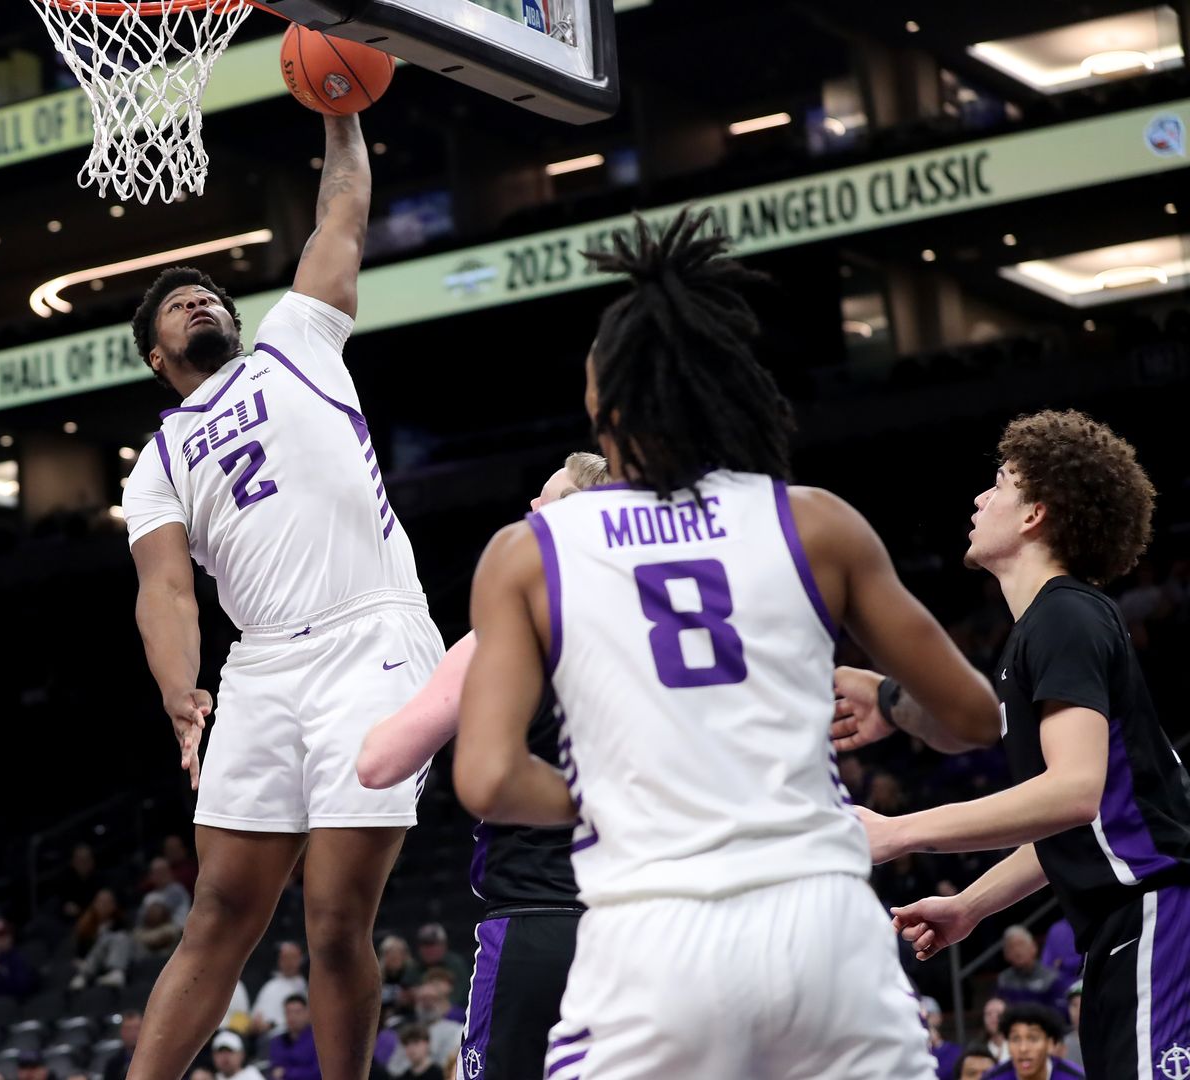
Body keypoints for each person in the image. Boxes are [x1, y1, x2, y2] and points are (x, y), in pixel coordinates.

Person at [451, 211, 1001, 1080]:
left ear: (606, 406)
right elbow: (974, 718)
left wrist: (635, 796)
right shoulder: (816, 521)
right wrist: (889, 700)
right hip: (820, 926)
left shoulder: (532, 551)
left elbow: (485, 778)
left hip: (652, 933)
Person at [120, 107, 442, 1080]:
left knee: (337, 914)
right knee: (220, 909)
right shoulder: (155, 465)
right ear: (154, 357)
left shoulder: (294, 336)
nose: (199, 304)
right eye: (178, 306)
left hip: (370, 636)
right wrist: (182, 687)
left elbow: (341, 211)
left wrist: (342, 112)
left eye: (207, 293)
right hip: (261, 664)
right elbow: (166, 592)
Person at [837, 409, 1190, 1079]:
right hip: (1129, 927)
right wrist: (970, 906)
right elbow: (1089, 817)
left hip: (1156, 915)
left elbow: (1072, 792)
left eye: (999, 482)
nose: (980, 497)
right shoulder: (1050, 626)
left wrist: (899, 832)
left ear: (1035, 515)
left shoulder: (1062, 615)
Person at [358, 455, 607, 1080]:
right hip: (645, 922)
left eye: (544, 500)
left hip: (536, 924)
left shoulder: (503, 635)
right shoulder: (658, 632)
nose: (530, 509)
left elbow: (379, 763)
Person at [985, 1005, 1084, 1079]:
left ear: (1050, 1044)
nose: (1023, 1048)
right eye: (1015, 1039)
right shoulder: (993, 1078)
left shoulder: (1075, 1077)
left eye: (1033, 1039)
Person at [994, 926, 1066, 1012]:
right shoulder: (1003, 980)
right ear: (1005, 954)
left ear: (1034, 948)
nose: (1017, 951)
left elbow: (1060, 1014)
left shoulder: (1052, 978)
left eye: (1021, 944)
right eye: (1011, 947)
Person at [249, 942, 308, 1035]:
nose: (288, 962)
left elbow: (304, 1020)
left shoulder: (305, 986)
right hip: (262, 1037)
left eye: (292, 958)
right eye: (284, 958)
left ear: (300, 959)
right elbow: (255, 1016)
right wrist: (257, 1023)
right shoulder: (270, 985)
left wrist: (272, 1026)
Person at [268, 996, 319, 1080]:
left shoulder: (317, 1040)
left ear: (308, 1013)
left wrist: (286, 1072)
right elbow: (275, 1071)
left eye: (297, 1012)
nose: (292, 1016)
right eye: (288, 1012)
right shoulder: (276, 1042)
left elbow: (317, 1072)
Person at [102, 1010, 142, 1080]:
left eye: (137, 1028)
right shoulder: (112, 1065)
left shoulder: (153, 1061)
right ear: (121, 1032)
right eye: (128, 1029)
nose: (133, 1033)